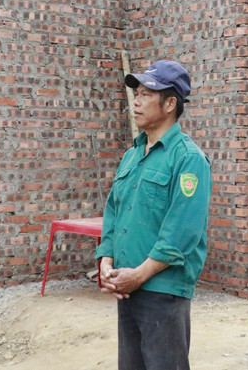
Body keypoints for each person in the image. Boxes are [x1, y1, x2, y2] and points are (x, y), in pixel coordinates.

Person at [96, 59, 212, 370]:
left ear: (170, 103)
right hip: (128, 289)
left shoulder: (188, 160)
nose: (137, 101)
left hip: (162, 292)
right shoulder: (133, 155)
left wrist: (139, 275)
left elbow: (182, 233)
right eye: (137, 94)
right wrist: (107, 260)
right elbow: (114, 212)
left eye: (147, 94)